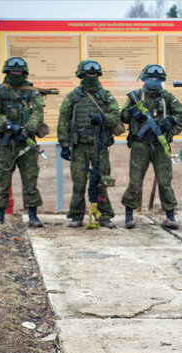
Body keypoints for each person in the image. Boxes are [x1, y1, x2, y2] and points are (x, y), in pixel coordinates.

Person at [57, 60, 122, 229]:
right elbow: (63, 119)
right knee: (78, 183)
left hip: (99, 146)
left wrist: (104, 118)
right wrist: (64, 145)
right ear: (81, 75)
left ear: (98, 74)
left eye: (94, 73)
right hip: (79, 147)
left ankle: (104, 216)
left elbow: (116, 114)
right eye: (88, 73)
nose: (91, 76)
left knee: (102, 181)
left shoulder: (105, 95)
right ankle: (76, 216)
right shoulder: (73, 96)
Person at [120, 64, 182, 229]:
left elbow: (181, 115)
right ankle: (129, 214)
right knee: (135, 181)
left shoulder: (168, 98)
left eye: (157, 79)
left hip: (160, 144)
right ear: (144, 79)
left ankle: (170, 216)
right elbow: (122, 116)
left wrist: (170, 120)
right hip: (140, 145)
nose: (154, 81)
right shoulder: (135, 96)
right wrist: (133, 112)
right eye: (151, 78)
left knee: (165, 182)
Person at [0, 56, 45, 227]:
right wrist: (10, 127)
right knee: (3, 178)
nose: (16, 73)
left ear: (24, 72)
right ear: (7, 72)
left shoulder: (31, 91)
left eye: (19, 71)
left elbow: (38, 113)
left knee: (31, 178)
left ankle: (33, 215)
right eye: (13, 71)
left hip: (27, 142)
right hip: (6, 143)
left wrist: (27, 130)